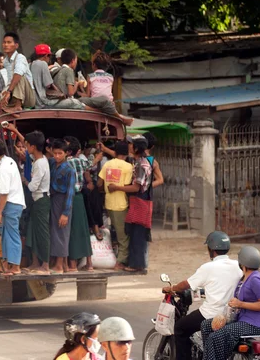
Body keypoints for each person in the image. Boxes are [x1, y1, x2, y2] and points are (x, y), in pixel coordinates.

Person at [162, 231, 243, 360]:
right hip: (232, 314)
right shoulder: (238, 265)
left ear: (211, 249)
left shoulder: (208, 267)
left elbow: (186, 284)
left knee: (180, 328)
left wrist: (172, 288)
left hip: (211, 314)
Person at [201, 246, 260, 360]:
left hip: (253, 324)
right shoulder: (244, 278)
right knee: (206, 326)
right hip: (241, 320)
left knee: (215, 337)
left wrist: (240, 304)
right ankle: (210, 356)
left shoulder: (255, 280)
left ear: (242, 263)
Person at [107, 136, 153, 273]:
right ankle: (135, 263)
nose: (129, 146)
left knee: (138, 233)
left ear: (137, 148)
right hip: (138, 200)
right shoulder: (138, 162)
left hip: (140, 200)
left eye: (132, 144)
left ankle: (137, 264)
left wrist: (117, 187)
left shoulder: (141, 164)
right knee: (134, 231)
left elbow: (136, 188)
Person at [0, 139, 25, 276]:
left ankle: (15, 266)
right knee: (5, 235)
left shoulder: (4, 168)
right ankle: (6, 263)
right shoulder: (9, 161)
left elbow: (4, 193)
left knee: (12, 235)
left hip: (11, 204)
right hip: (15, 203)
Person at [98, 140, 133, 269]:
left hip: (109, 202)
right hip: (121, 204)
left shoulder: (107, 164)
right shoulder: (128, 167)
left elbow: (99, 183)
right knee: (122, 235)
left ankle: (118, 258)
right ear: (127, 152)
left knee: (115, 231)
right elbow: (128, 185)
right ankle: (120, 262)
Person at [22, 131, 51, 274]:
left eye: (27, 145)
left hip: (41, 200)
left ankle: (45, 265)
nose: (26, 148)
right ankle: (35, 262)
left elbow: (33, 186)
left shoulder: (40, 163)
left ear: (33, 147)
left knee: (42, 233)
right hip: (37, 200)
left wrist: (25, 181)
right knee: (32, 231)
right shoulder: (40, 160)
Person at [65, 136, 94, 272]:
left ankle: (72, 264)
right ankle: (89, 264)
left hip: (70, 198)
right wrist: (95, 155)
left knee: (72, 230)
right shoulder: (81, 162)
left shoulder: (67, 163)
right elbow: (90, 163)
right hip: (79, 198)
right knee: (83, 230)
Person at [49, 139, 76, 274]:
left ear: (66, 153)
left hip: (63, 201)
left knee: (61, 232)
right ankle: (63, 264)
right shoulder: (53, 164)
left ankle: (59, 265)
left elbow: (70, 193)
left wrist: (65, 213)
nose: (57, 156)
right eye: (55, 153)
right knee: (55, 231)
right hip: (53, 199)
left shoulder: (69, 170)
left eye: (60, 153)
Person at [84, 52, 133, 125]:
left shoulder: (90, 76)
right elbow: (108, 92)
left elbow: (88, 95)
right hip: (110, 103)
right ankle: (119, 116)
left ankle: (118, 117)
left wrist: (80, 90)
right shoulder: (110, 77)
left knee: (80, 102)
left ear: (94, 65)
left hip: (96, 103)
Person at [1, 32, 36, 112]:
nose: (6, 45)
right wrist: (5, 92)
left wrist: (9, 92)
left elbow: (18, 75)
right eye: (4, 42)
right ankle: (5, 106)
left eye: (9, 42)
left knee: (18, 76)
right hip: (13, 93)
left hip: (27, 97)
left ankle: (17, 106)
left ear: (16, 45)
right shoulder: (5, 61)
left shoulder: (20, 57)